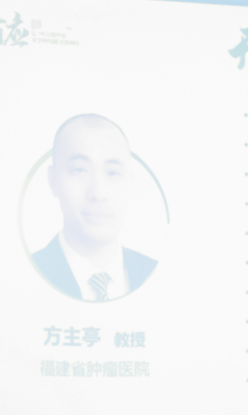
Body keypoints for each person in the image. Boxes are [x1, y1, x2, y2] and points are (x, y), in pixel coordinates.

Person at [29, 114, 158, 302]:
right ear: (53, 180)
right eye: (79, 170)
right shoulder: (24, 274)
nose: (98, 193)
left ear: (130, 182)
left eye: (112, 172)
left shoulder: (159, 275)